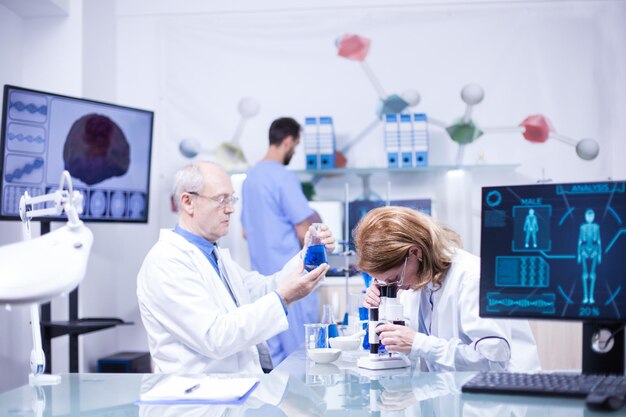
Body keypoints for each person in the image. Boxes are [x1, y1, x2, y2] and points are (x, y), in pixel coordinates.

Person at [136, 161, 333, 374]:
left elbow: (262, 290)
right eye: (221, 200)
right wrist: (283, 298)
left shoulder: (214, 255)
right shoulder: (166, 261)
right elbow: (214, 336)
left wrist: (308, 255)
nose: (230, 209)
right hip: (198, 400)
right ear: (188, 202)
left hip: (235, 394)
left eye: (231, 199)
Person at [356, 206, 541, 372]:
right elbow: (411, 346)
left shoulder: (473, 278)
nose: (398, 287)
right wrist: (383, 307)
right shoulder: (418, 280)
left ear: (415, 252)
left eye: (395, 279)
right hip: (450, 394)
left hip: (501, 399)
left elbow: (491, 360)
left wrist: (419, 343)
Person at [241, 117, 321, 365]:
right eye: (296, 145)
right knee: (300, 355)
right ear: (288, 141)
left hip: (263, 282)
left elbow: (245, 232)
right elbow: (303, 230)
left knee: (274, 355)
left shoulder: (250, 178)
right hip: (290, 277)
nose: (294, 151)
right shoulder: (282, 177)